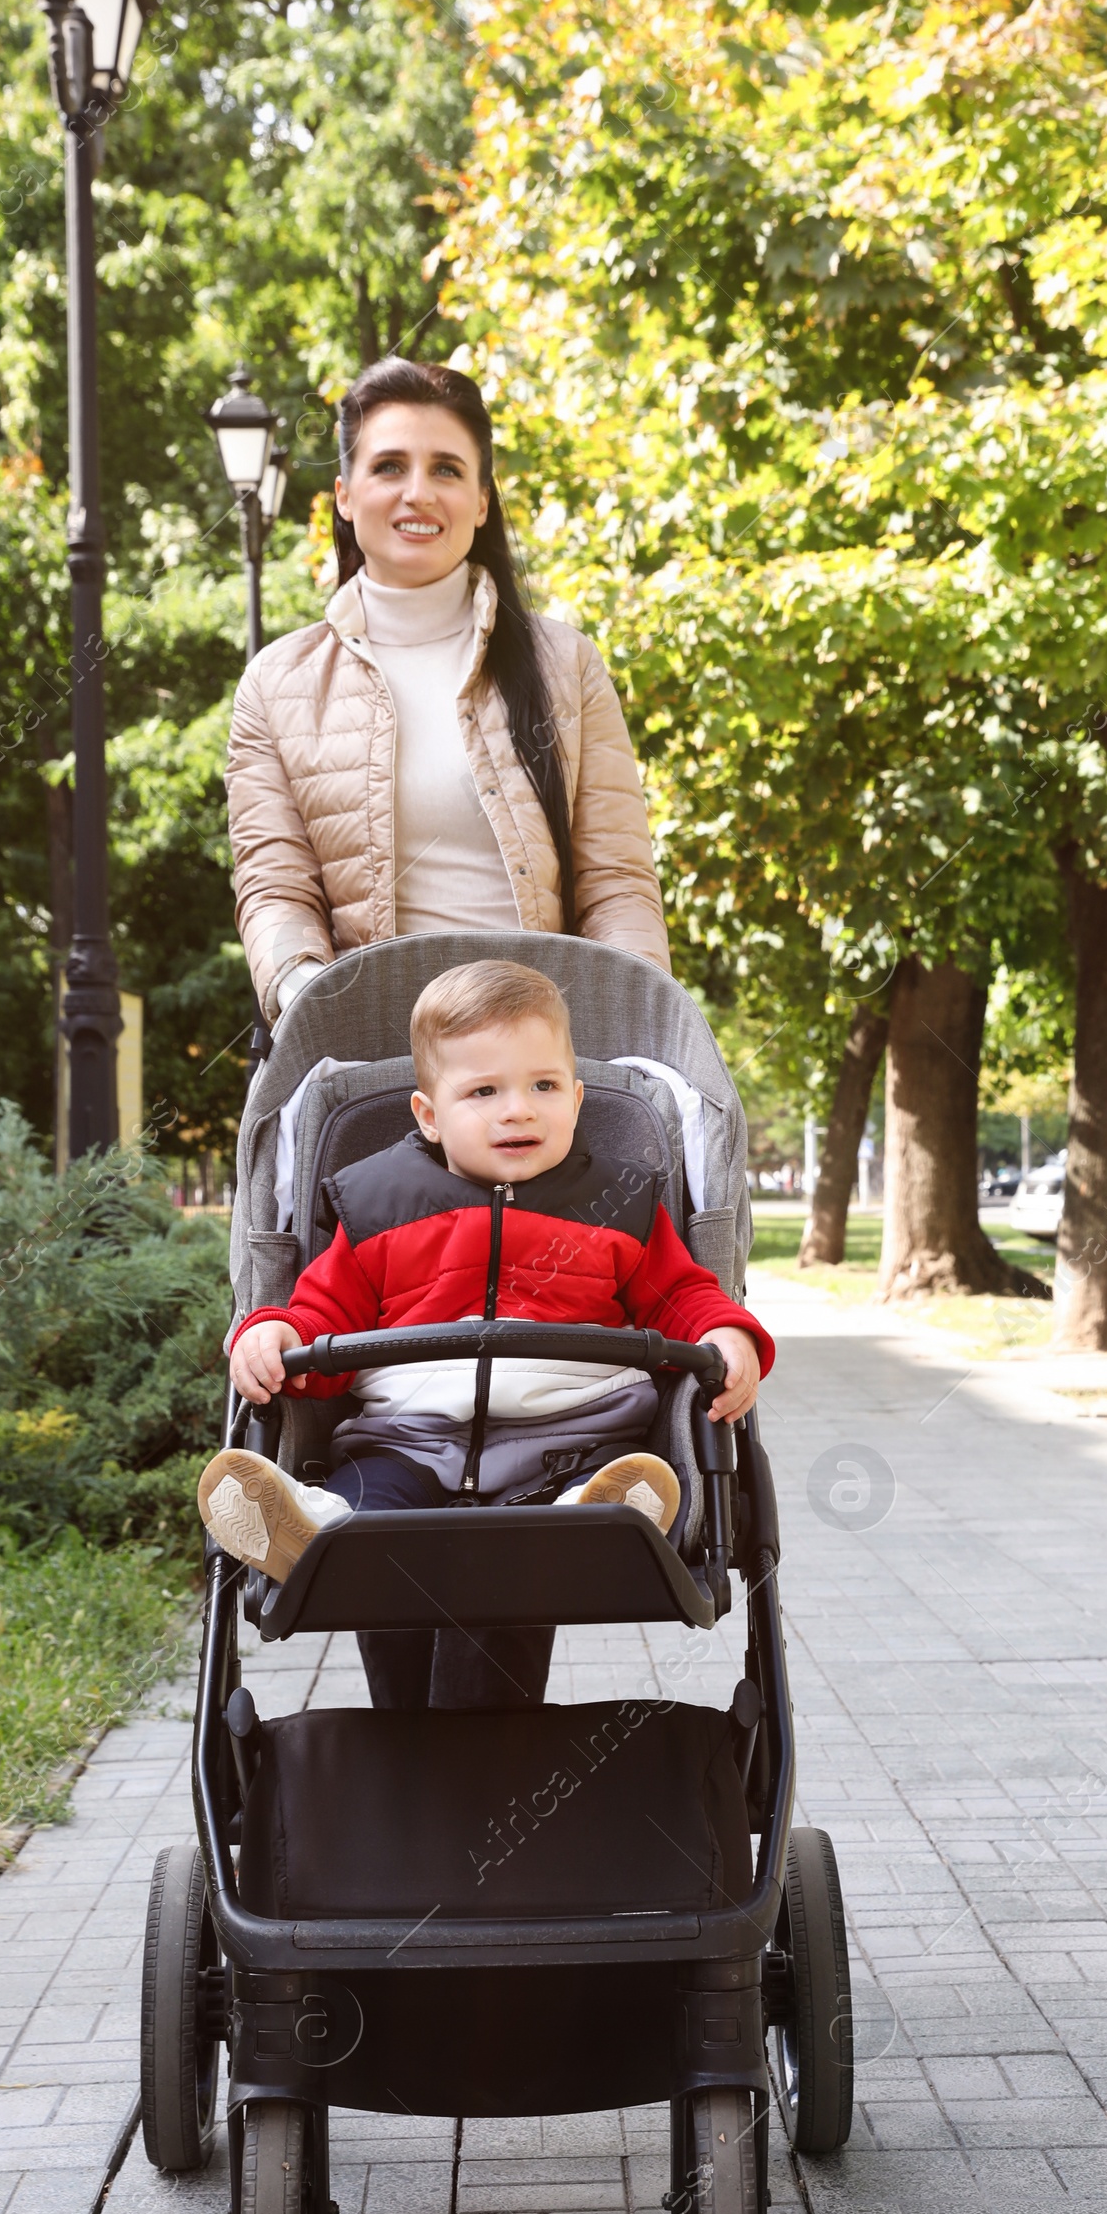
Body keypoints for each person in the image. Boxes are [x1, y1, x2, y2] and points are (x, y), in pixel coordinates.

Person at [198, 960, 771, 1711]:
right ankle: (314, 1529)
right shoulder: (377, 1207)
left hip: (570, 1439)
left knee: (523, 1559)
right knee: (370, 1530)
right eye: (483, 1091)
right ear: (429, 1114)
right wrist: (273, 1334)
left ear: (577, 1097)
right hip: (407, 1441)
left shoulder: (619, 1205)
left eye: (543, 1086)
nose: (517, 1111)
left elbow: (682, 1295)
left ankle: (600, 1519)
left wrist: (727, 1332)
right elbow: (321, 1317)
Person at [226, 356, 670, 1027]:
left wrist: (634, 1024)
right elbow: (275, 889)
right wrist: (310, 999)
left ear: (482, 500)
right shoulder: (275, 685)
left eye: (446, 469)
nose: (418, 492)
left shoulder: (565, 664)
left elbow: (617, 884)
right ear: (344, 495)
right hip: (369, 1052)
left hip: (547, 1062)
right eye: (389, 466)